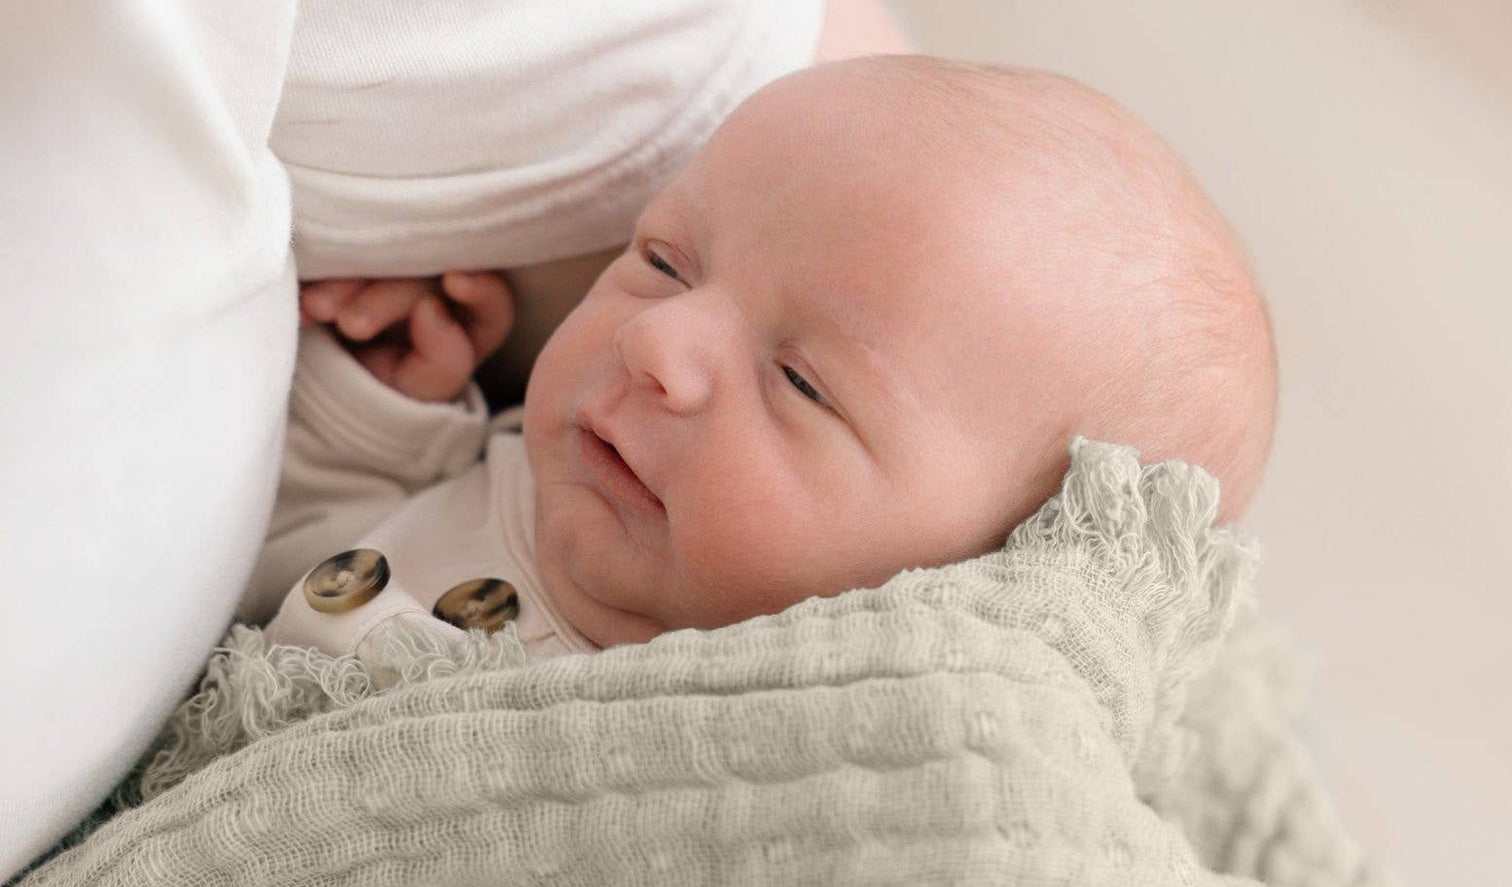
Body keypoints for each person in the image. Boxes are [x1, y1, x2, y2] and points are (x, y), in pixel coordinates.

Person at [245, 53, 1279, 669]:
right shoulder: (518, 473)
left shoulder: (768, 768)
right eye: (664, 263)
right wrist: (375, 416)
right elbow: (255, 567)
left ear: (983, 583)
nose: (655, 342)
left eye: (800, 384)